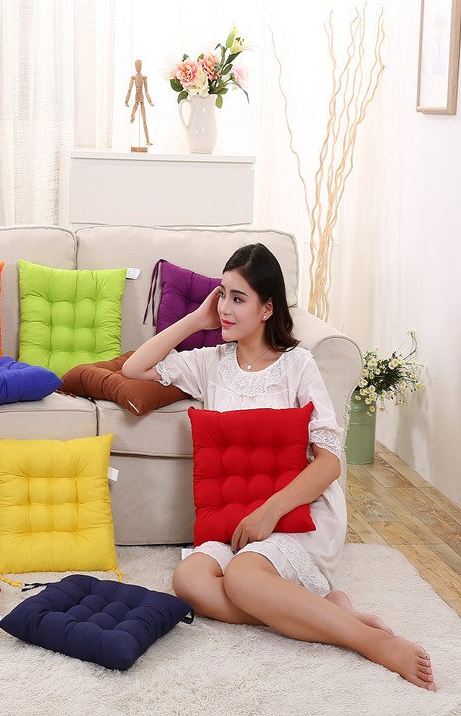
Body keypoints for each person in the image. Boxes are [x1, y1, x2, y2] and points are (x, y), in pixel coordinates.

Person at [123, 243, 435, 690]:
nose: (224, 308)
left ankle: (370, 642)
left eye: (238, 298)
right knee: (189, 580)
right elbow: (135, 369)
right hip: (236, 515)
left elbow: (329, 463)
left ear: (267, 308)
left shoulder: (298, 365)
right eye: (222, 295)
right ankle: (331, 612)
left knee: (241, 577)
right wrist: (195, 321)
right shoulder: (210, 363)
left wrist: (269, 512)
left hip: (293, 511)